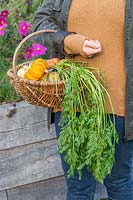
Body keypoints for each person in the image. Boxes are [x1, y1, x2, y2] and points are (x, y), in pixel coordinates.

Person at [33, 1, 133, 199]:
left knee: (119, 182)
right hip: (72, 104)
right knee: (78, 187)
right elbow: (39, 23)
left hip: (119, 107)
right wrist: (71, 42)